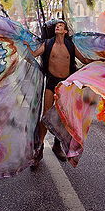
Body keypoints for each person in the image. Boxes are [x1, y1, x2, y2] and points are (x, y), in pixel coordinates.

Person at [24, 19, 92, 167]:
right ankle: (39, 150)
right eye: (56, 26)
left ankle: (57, 145)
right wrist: (27, 46)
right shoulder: (48, 43)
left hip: (66, 85)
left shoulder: (70, 45)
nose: (58, 27)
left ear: (65, 31)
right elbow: (35, 54)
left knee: (63, 117)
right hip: (51, 82)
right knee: (45, 115)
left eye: (61, 26)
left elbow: (84, 59)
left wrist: (100, 60)